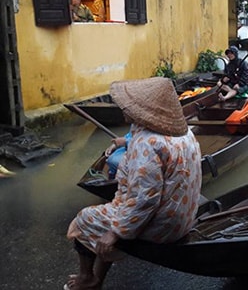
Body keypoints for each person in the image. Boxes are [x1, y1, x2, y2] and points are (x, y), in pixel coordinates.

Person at [64, 77, 202, 290]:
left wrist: (116, 232)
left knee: (85, 219)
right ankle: (97, 280)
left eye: (128, 106)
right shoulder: (185, 133)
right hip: (183, 218)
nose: (123, 108)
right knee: (111, 215)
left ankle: (87, 278)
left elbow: (144, 199)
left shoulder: (146, 144)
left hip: (163, 226)